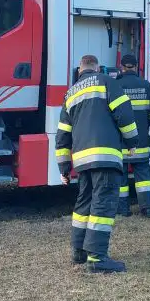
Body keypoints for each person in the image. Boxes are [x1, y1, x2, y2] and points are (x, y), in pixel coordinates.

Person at [56, 54, 139, 272]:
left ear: (80, 70)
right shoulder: (107, 82)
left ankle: (79, 252)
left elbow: (62, 135)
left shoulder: (70, 93)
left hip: (82, 160)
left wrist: (64, 168)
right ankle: (97, 258)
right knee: (103, 203)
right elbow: (125, 114)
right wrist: (132, 141)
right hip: (106, 155)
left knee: (83, 204)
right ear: (97, 67)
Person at [117, 54, 150, 217]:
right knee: (143, 177)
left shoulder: (116, 85)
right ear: (136, 67)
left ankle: (123, 209)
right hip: (141, 140)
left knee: (120, 178)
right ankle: (147, 208)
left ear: (121, 67)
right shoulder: (146, 85)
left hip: (121, 142)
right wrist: (146, 124)